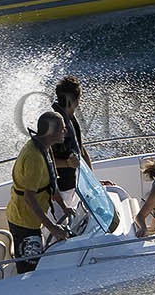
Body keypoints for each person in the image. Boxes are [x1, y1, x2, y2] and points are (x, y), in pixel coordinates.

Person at [6, 111, 75, 273]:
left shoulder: (44, 147)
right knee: (30, 270)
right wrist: (52, 228)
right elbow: (29, 198)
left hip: (31, 220)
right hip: (24, 223)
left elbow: (50, 183)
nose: (65, 131)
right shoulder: (34, 157)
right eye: (62, 129)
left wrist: (64, 207)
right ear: (52, 132)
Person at [49, 75, 94, 194]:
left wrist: (93, 182)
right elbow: (43, 160)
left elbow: (81, 150)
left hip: (77, 184)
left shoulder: (71, 119)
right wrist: (66, 163)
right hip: (62, 189)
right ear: (76, 100)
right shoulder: (55, 124)